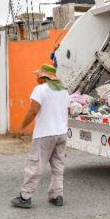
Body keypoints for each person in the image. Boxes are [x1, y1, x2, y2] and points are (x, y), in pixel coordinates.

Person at [11, 64, 70, 208]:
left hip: (45, 134)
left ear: (43, 77)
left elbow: (32, 111)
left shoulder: (40, 89)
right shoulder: (64, 91)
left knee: (35, 165)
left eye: (37, 76)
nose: (36, 79)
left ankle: (25, 197)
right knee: (58, 166)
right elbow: (68, 111)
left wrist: (22, 127)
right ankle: (57, 196)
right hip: (61, 133)